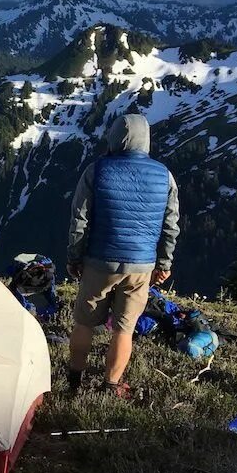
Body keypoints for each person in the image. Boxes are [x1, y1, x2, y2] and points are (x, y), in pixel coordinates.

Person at [66, 114, 179, 397]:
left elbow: (79, 219)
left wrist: (74, 257)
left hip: (99, 260)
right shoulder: (164, 175)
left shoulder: (96, 170)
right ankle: (111, 386)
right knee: (124, 329)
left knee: (84, 322)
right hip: (141, 264)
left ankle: (74, 382)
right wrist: (164, 263)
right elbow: (170, 224)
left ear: (116, 138)